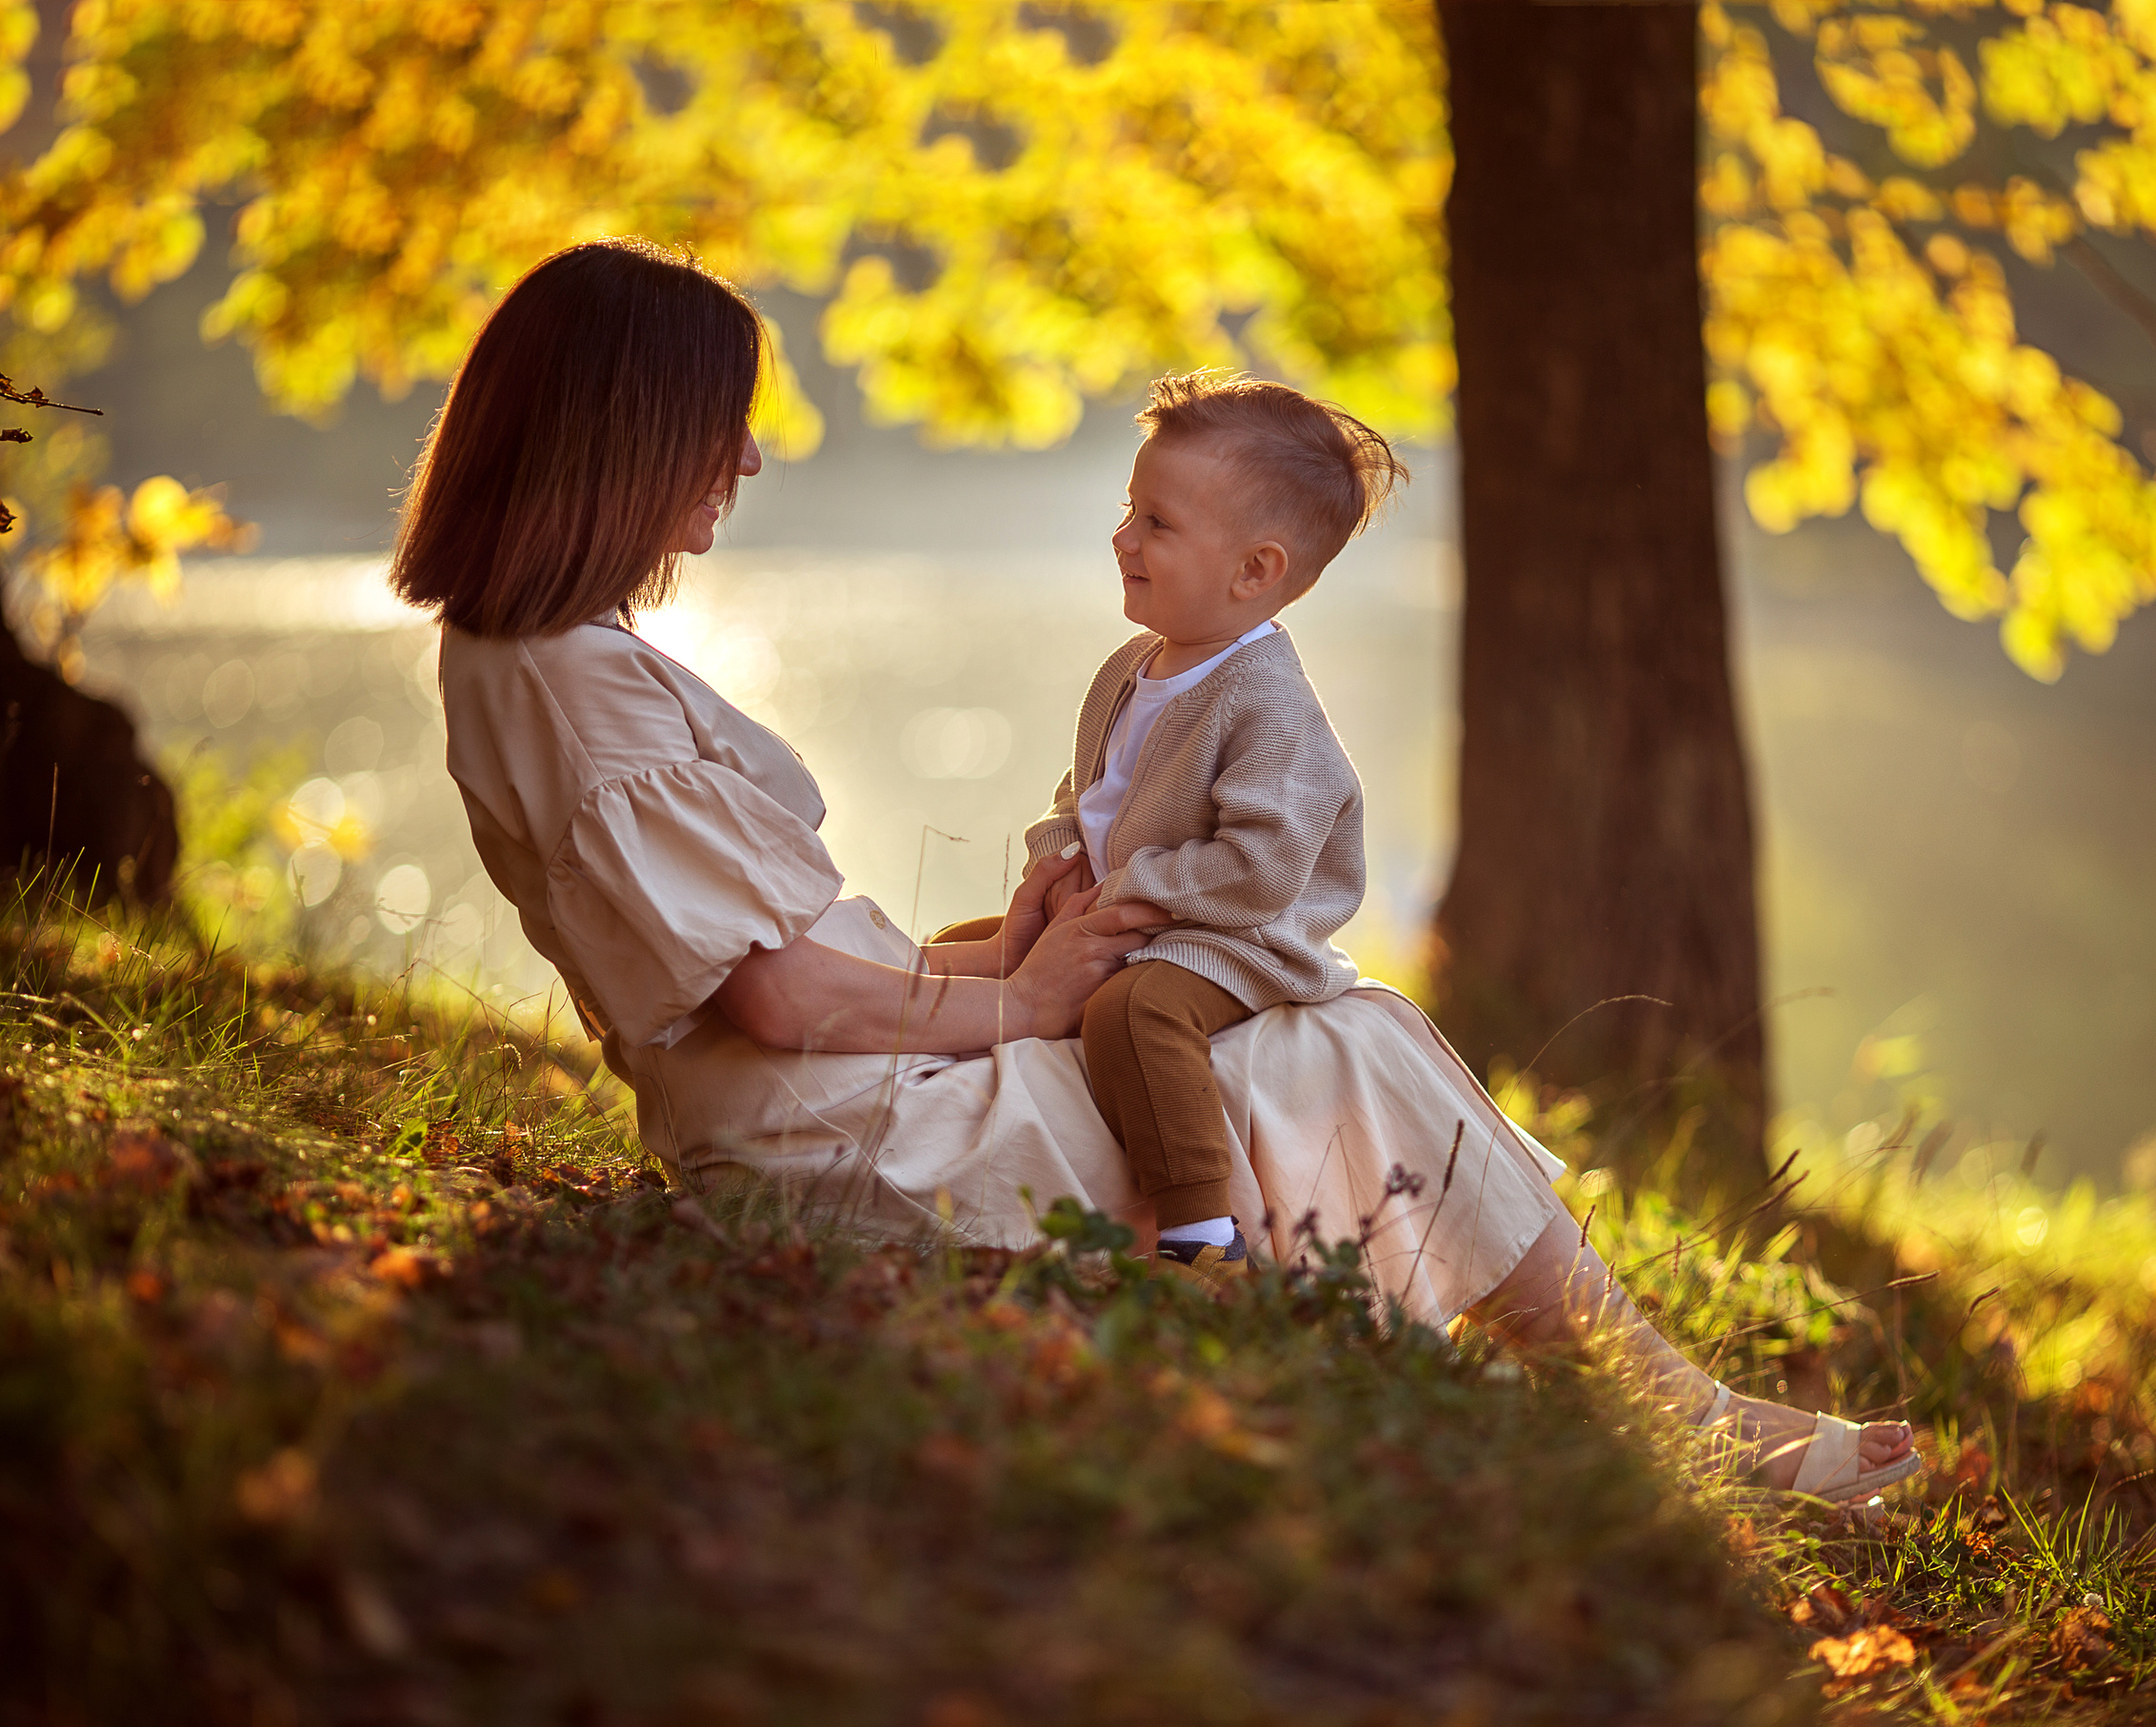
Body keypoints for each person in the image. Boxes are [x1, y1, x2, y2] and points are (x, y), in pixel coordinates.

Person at [395, 237, 1918, 1502]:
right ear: (623, 431)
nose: (743, 455)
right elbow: (780, 1004)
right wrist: (1032, 996)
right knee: (1353, 1039)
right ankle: (1682, 1419)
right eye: (717, 422)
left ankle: (1617, 1393)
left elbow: (756, 968)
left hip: (819, 1098)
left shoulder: (536, 656)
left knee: (1323, 1029)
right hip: (846, 1139)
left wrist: (1010, 955)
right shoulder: (576, 688)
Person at [939, 374, 1398, 1290]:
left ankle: (1202, 1239)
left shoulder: (1269, 703)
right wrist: (1059, 867)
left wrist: (1123, 891)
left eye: (1157, 523)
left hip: (1234, 937)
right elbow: (1087, 793)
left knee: (1134, 1014)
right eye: (1128, 509)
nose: (1123, 538)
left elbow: (1261, 869)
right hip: (1129, 912)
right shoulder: (1131, 668)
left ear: (1255, 571)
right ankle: (944, 1122)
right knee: (969, 946)